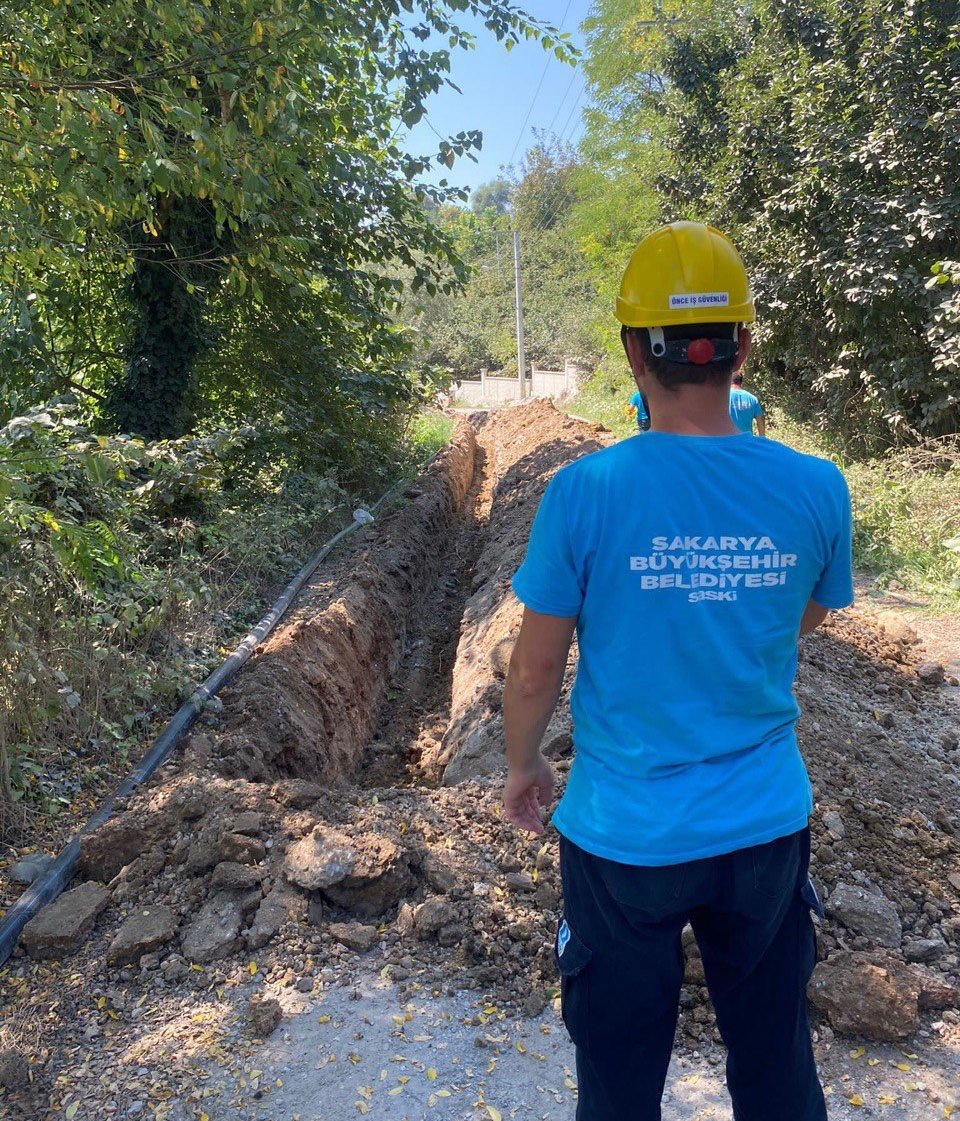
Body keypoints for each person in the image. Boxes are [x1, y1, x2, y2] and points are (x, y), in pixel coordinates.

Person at [501, 221, 852, 1121]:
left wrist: (523, 764)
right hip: (765, 830)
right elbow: (803, 614)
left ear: (633, 351)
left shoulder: (585, 493)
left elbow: (535, 670)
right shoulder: (818, 486)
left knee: (619, 1085)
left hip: (625, 838)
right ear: (742, 346)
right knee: (777, 1070)